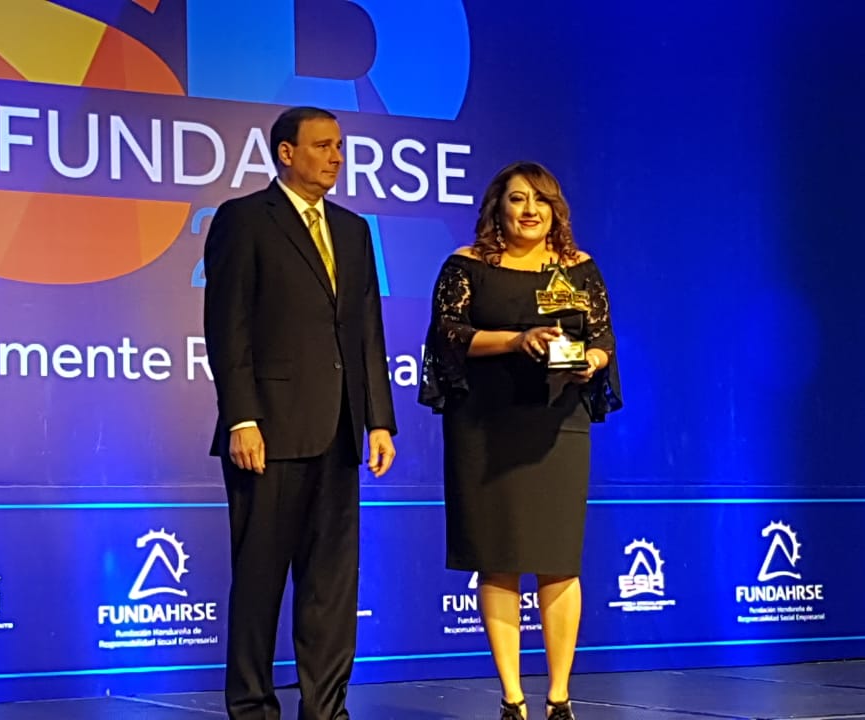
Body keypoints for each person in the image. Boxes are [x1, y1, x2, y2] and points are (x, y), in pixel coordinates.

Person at [204, 106, 398, 720]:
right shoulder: (243, 219)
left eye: (339, 145)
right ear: (286, 153)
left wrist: (379, 419)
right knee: (259, 582)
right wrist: (241, 418)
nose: (336, 156)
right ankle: (252, 708)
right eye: (321, 145)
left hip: (340, 431)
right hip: (269, 432)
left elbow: (367, 330)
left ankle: (326, 710)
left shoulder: (353, 229)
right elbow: (227, 327)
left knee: (331, 586)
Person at [419, 161, 622, 720]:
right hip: (486, 427)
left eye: (541, 200)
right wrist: (515, 340)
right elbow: (448, 335)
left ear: (556, 210)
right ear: (497, 207)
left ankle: (559, 699)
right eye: (517, 199)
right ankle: (513, 698)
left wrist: (593, 360)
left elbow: (603, 337)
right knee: (498, 559)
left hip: (558, 425)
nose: (530, 210)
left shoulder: (579, 268)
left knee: (559, 560)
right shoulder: (466, 265)